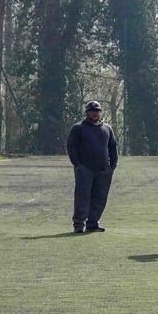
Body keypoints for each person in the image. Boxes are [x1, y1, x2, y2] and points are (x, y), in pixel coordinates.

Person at [66, 100, 118, 234]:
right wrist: (77, 165)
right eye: (92, 111)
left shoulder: (107, 128)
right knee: (82, 197)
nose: (95, 113)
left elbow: (112, 147)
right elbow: (71, 147)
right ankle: (79, 224)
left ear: (100, 112)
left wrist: (112, 165)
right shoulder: (78, 128)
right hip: (84, 169)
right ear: (86, 112)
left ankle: (93, 223)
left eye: (97, 111)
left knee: (100, 197)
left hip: (103, 170)